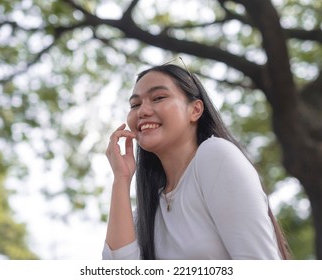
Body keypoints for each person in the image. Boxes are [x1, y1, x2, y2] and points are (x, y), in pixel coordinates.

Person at [103, 59, 290, 260]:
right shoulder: (146, 212)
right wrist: (121, 180)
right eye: (135, 104)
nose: (142, 111)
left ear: (195, 110)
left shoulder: (215, 155)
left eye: (158, 98)